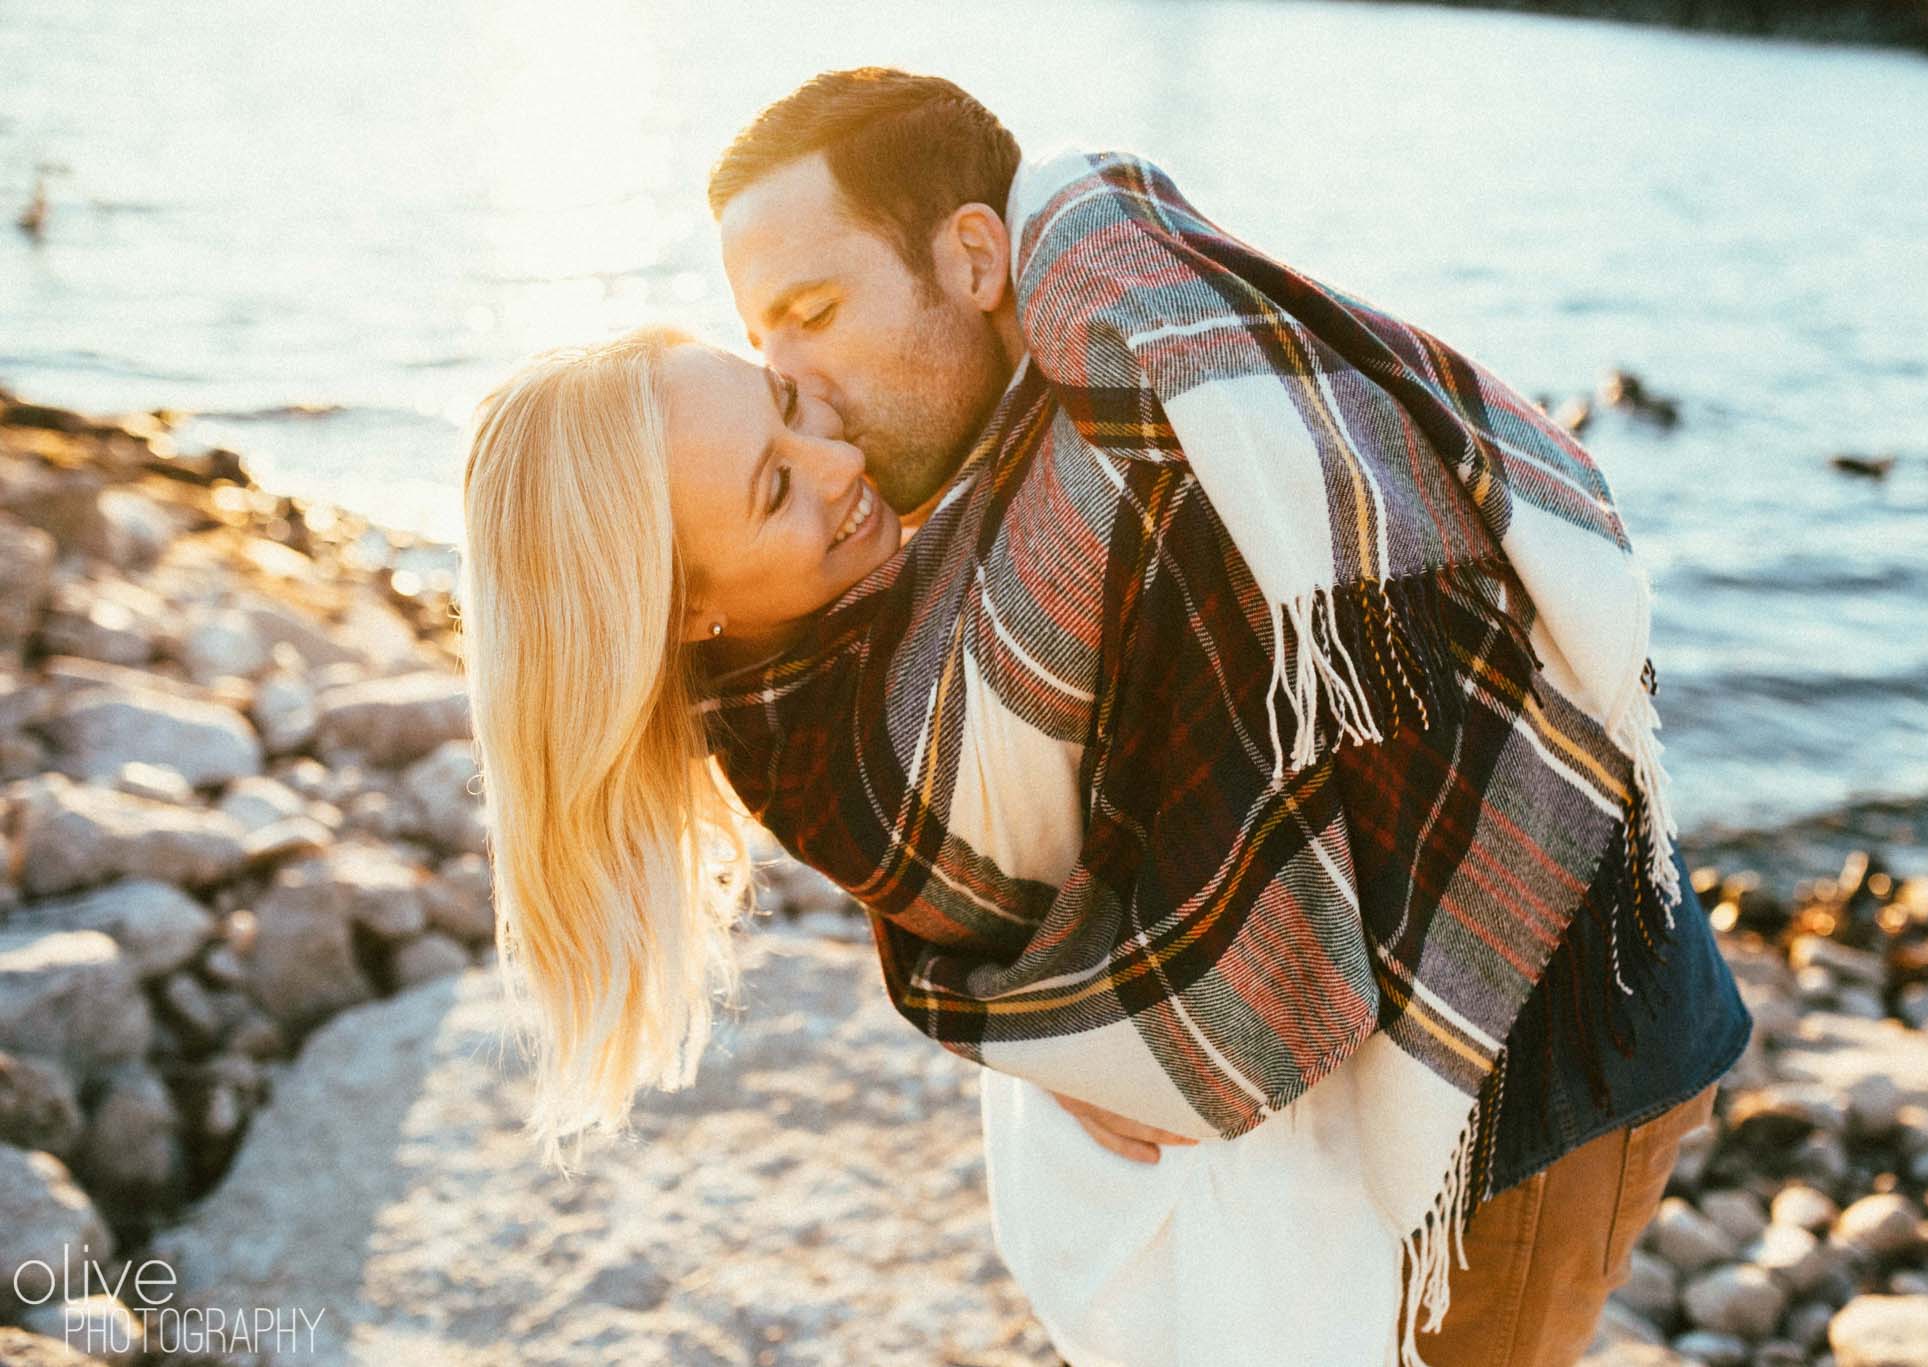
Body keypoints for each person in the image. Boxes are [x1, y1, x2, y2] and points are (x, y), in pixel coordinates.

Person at [458, 71, 1752, 1367]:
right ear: (685, 610)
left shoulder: (1057, 447)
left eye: (800, 349)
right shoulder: (897, 694)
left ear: (976, 256)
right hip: (1506, 1042)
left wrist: (1086, 232)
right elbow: (1218, 1012)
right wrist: (1084, 1040)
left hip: (1562, 1002)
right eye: (775, 478)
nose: (834, 443)